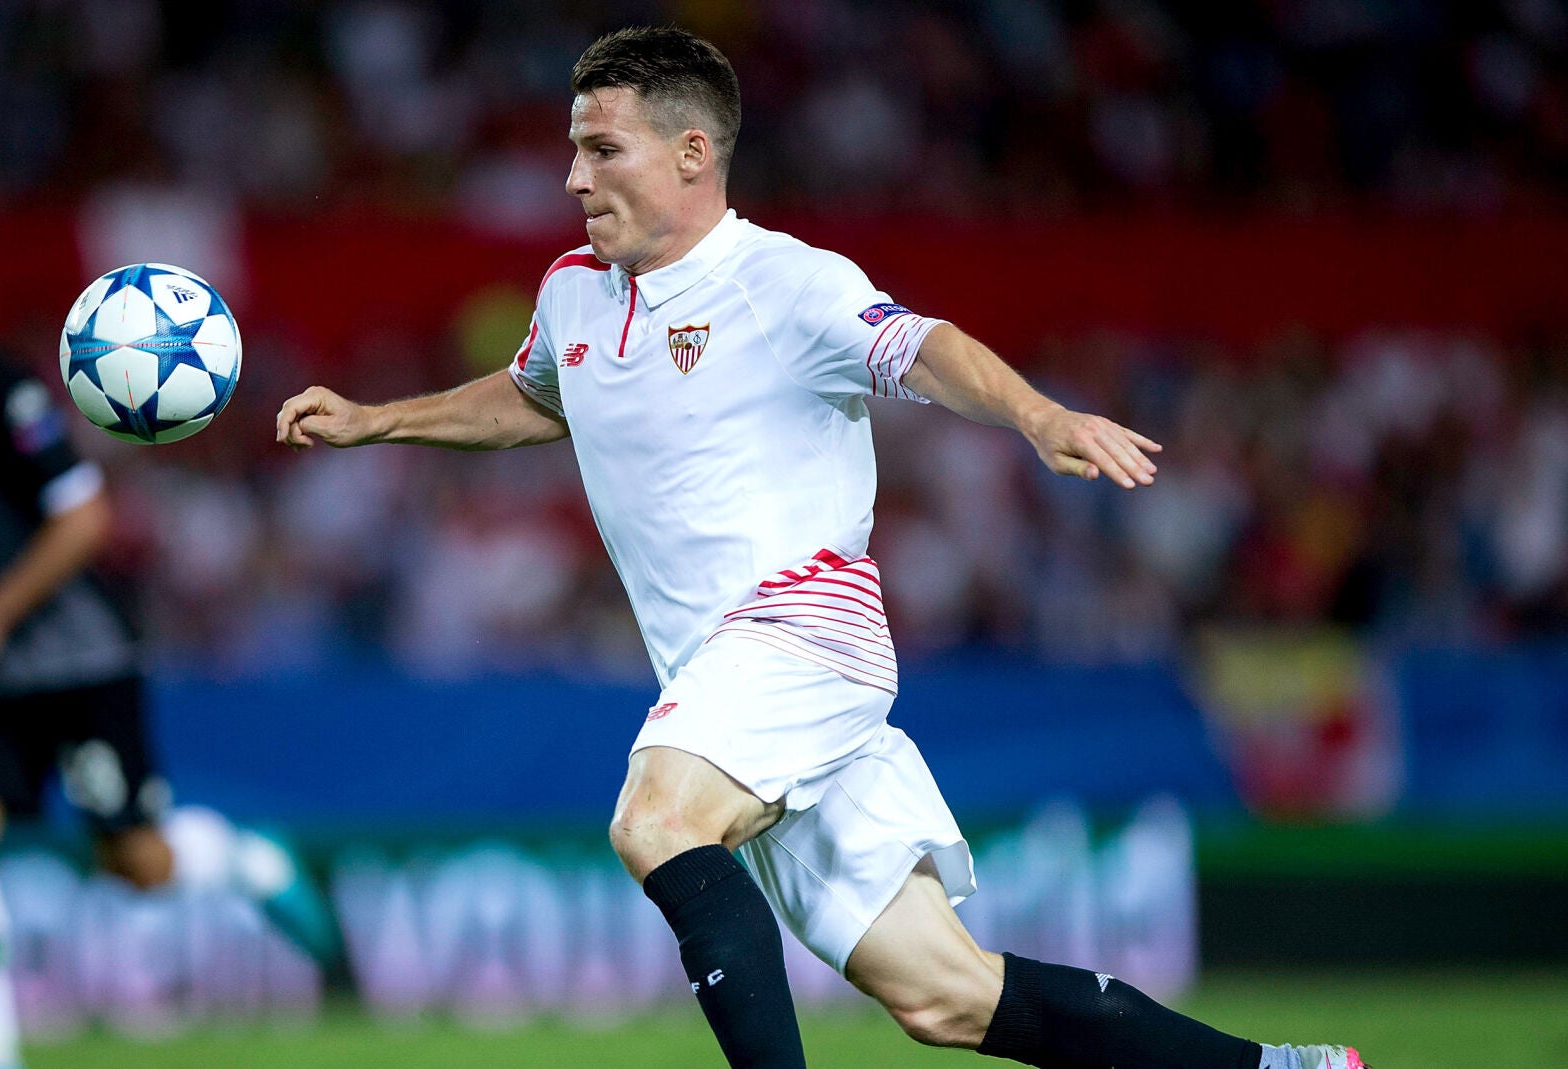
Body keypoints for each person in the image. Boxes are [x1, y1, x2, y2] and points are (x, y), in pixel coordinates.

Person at [276, 27, 1369, 1069]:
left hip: (801, 631)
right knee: (945, 995)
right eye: (572, 148)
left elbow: (921, 346)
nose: (572, 176)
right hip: (718, 672)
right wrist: (377, 419)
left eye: (601, 148)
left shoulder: (787, 284)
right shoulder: (571, 292)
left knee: (656, 816)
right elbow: (535, 395)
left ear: (691, 152)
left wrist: (1038, 415)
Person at [0, 215, 338, 1069]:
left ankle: (245, 857)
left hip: (75, 658)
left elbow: (82, 517)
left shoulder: (1, 390)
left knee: (135, 859)